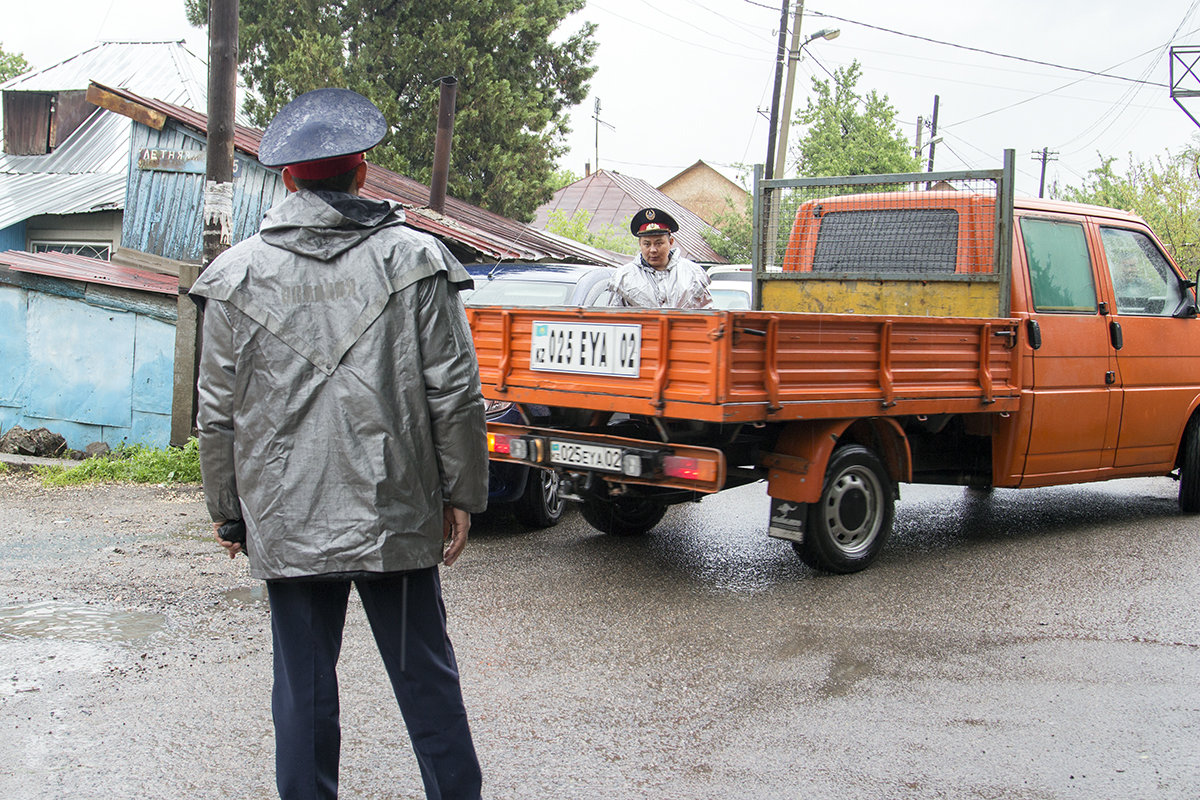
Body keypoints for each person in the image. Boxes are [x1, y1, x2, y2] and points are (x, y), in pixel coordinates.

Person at [191, 88, 487, 800]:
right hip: (395, 507)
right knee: (427, 681)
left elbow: (217, 412)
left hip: (287, 517)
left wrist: (229, 510)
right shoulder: (417, 260)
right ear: (364, 175)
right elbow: (455, 395)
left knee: (303, 693)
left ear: (288, 179)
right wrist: (462, 495)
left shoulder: (235, 274)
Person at [605, 207, 712, 308]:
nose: (653, 250)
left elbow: (709, 314)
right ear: (640, 244)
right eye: (647, 244)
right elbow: (614, 321)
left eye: (659, 243)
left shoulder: (693, 273)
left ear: (670, 242)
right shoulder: (624, 277)